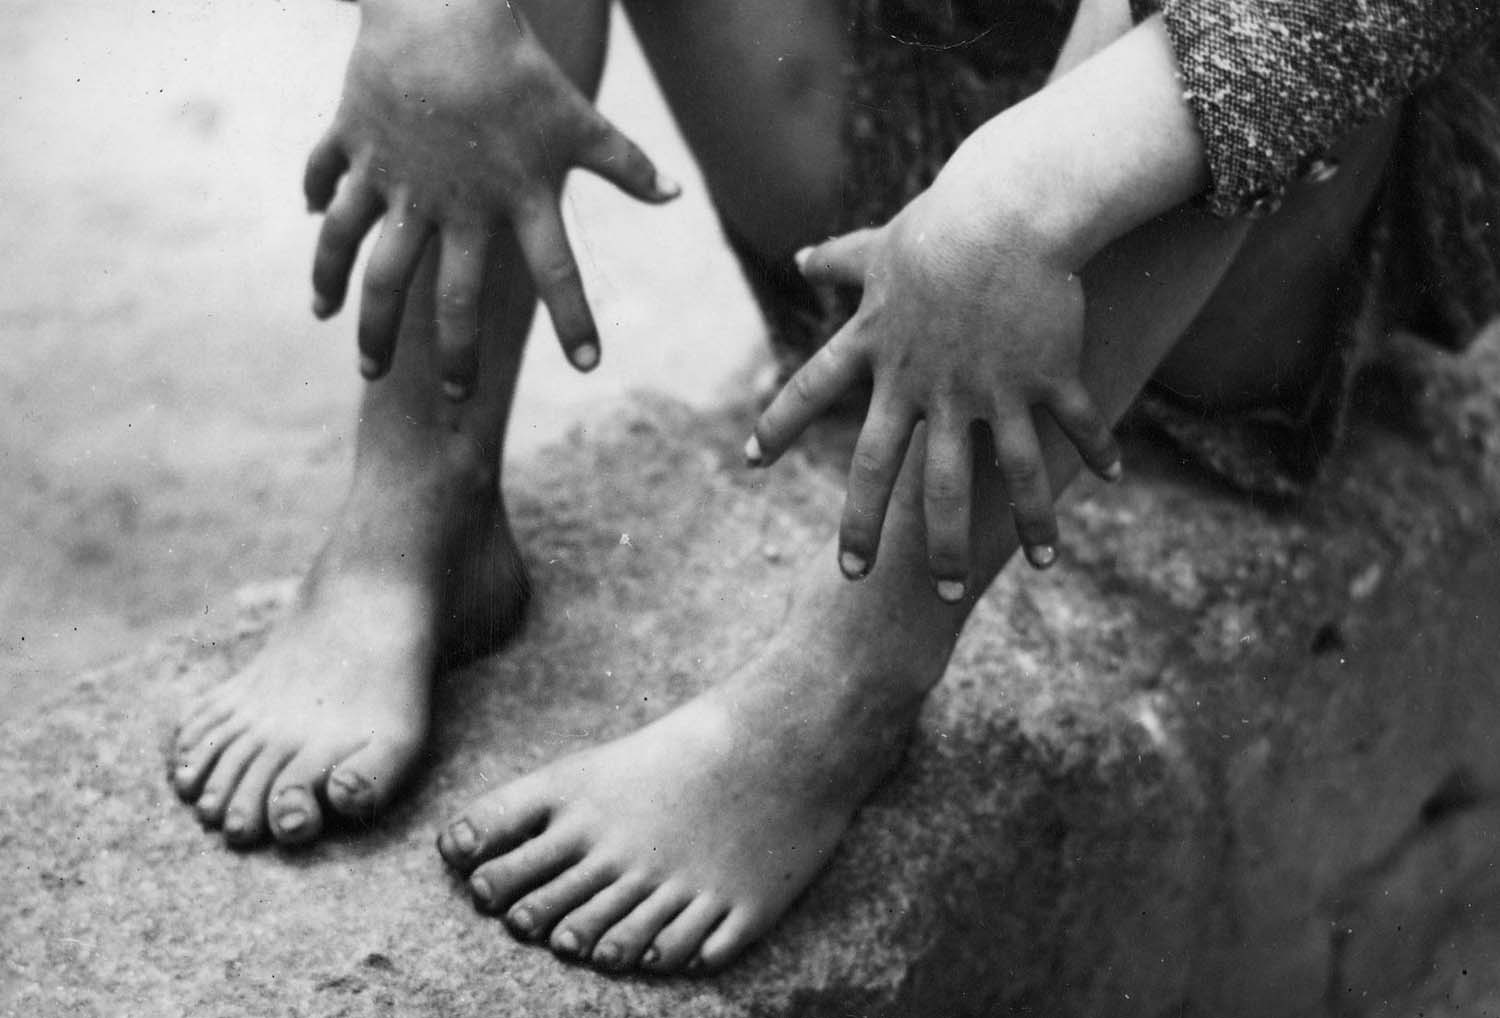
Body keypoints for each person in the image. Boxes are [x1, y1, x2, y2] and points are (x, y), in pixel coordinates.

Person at [168, 0, 1500, 975]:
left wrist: (1022, 195)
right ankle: (419, 516)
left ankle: (842, 689)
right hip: (885, 136)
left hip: (1231, 226)